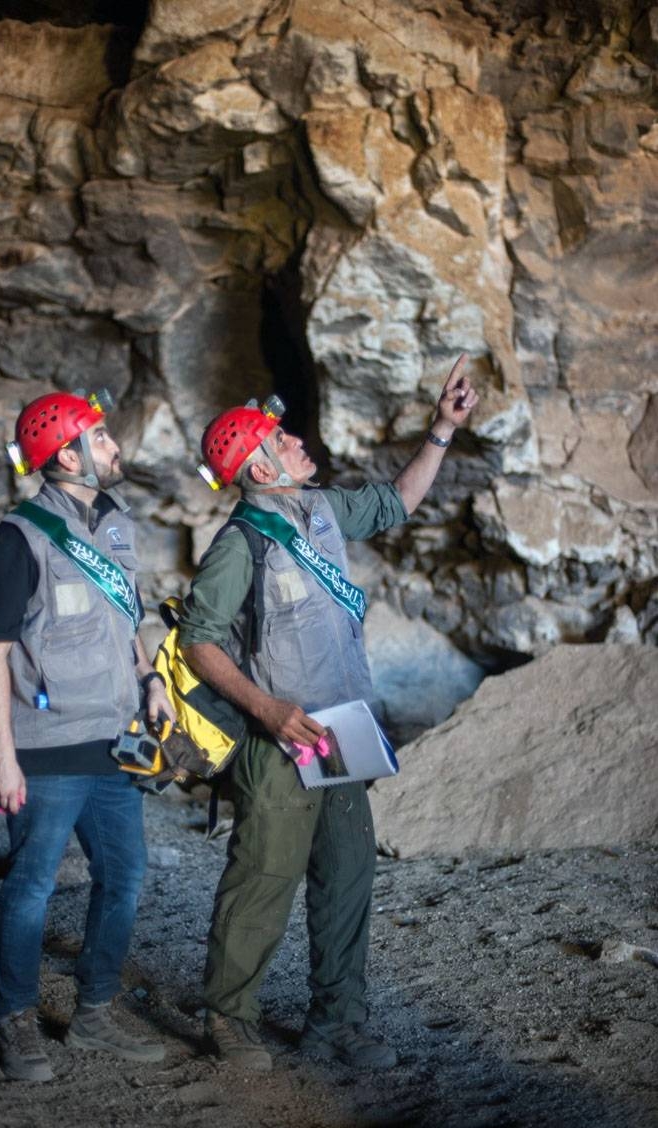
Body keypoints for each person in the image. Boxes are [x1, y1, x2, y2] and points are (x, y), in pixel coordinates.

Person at [179, 355, 478, 1072]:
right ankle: (230, 1018)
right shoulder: (239, 545)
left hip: (342, 732)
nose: (295, 442)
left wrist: (442, 428)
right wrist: (268, 710)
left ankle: (337, 1021)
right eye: (279, 442)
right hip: (281, 740)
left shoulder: (319, 510)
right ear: (258, 471)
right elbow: (197, 642)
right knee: (264, 878)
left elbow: (394, 503)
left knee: (346, 878)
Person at [0, 389, 174, 1083]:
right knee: (31, 886)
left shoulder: (117, 522)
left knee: (124, 877)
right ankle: (16, 1017)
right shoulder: (17, 538)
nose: (114, 447)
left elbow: (128, 622)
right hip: (45, 751)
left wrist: (149, 679)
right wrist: (4, 759)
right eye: (101, 436)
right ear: (68, 454)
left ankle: (93, 1012)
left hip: (113, 745)